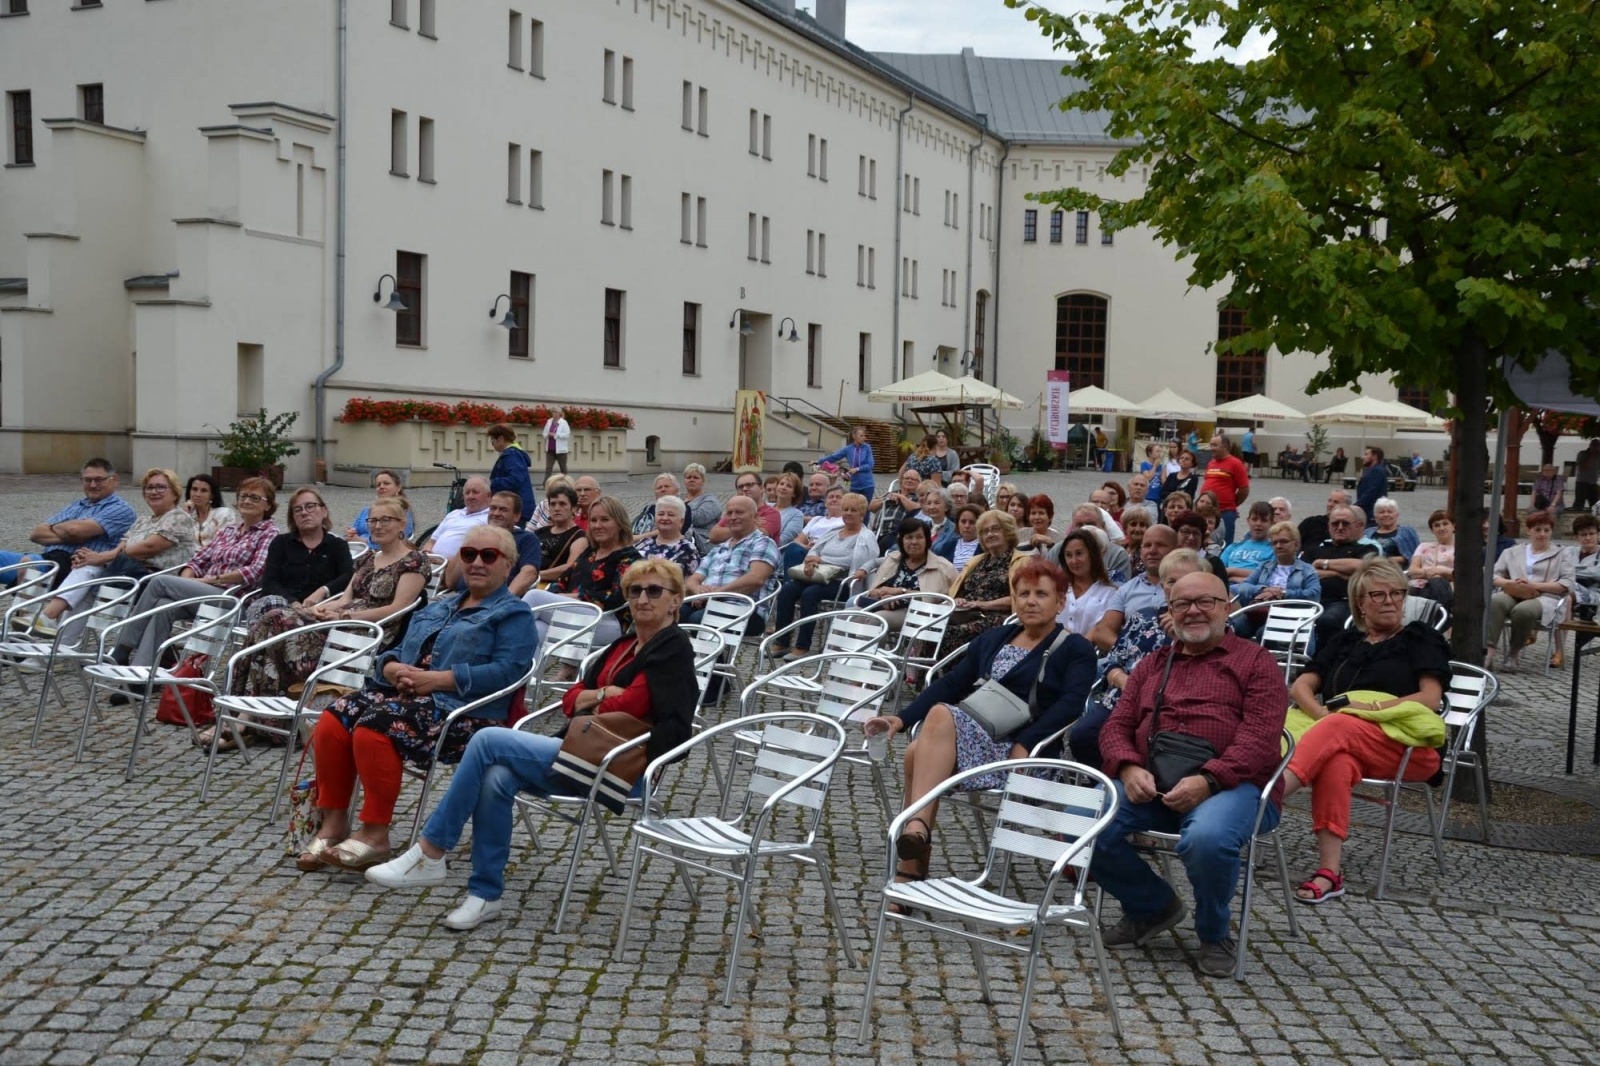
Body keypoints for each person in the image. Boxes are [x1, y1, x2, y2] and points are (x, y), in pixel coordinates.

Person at [363, 556, 697, 928]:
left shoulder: (672, 648)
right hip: (581, 754)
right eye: (635, 591)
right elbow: (571, 699)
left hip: (622, 767)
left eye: (654, 591)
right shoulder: (623, 645)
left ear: (675, 601)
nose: (643, 599)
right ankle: (485, 896)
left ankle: (431, 850)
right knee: (497, 777)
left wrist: (593, 698)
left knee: (488, 740)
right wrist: (602, 694)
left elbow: (638, 708)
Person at [300, 525, 536, 872]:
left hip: (463, 713)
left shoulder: (513, 614)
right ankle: (334, 824)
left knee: (377, 724)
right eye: (469, 554)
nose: (477, 563)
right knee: (334, 717)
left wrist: (437, 680)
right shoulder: (441, 605)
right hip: (406, 696)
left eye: (489, 556)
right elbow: (396, 650)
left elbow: (508, 672)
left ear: (508, 565)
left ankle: (375, 833)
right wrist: (392, 667)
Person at [1090, 570, 1290, 978]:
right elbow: (1115, 725)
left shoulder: (1257, 662)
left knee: (1208, 839)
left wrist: (1209, 780)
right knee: (1078, 821)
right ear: (1170, 611)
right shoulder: (1152, 664)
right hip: (1154, 782)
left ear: (1227, 607)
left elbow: (1260, 739)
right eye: (1182, 604)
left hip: (1234, 786)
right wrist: (1128, 766)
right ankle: (1152, 906)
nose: (1193, 611)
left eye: (1205, 602)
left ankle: (1214, 933)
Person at [864, 556, 1097, 899]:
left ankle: (912, 856)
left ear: (1060, 602)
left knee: (931, 731)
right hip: (977, 741)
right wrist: (901, 718)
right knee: (919, 744)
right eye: (1023, 594)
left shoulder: (1075, 648)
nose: (1031, 601)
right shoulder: (997, 637)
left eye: (1041, 594)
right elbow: (953, 683)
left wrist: (1026, 744)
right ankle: (915, 846)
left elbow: (1071, 705)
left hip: (1024, 753)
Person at [1283, 558, 1452, 904]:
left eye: (1397, 593)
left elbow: (1430, 699)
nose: (1390, 601)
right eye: (1378, 594)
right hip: (1344, 738)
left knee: (1342, 723)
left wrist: (1368, 709)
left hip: (1409, 746)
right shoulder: (1346, 641)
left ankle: (1266, 796)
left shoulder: (1420, 638)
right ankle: (1330, 872)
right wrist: (1320, 714)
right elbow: (1301, 686)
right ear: (1360, 602)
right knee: (1335, 762)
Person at [212, 497, 432, 749]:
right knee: (270, 621)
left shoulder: (414, 561)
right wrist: (320, 609)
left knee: (278, 628)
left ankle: (243, 719)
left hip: (365, 635)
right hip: (337, 624)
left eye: (385, 520)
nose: (378, 526)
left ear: (401, 524)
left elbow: (398, 608)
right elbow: (346, 599)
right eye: (373, 520)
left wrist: (344, 617)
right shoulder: (368, 559)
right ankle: (244, 715)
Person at [107, 478, 281, 672]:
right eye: (243, 496)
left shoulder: (270, 533)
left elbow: (255, 571)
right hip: (206, 592)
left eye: (255, 498)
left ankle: (123, 648)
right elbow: (198, 560)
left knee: (159, 582)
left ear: (268, 505)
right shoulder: (229, 530)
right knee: (163, 606)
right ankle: (142, 672)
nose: (247, 501)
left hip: (233, 599)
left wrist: (206, 580)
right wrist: (187, 580)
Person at [1069, 549, 1208, 767]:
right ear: (1163, 586)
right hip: (1125, 696)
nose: (1178, 587)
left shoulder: (1208, 623)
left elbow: (1210, 669)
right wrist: (1123, 680)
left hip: (1174, 705)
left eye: (1186, 580)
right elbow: (1113, 659)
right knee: (1083, 737)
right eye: (1171, 581)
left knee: (1148, 744)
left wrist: (1182, 639)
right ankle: (1114, 777)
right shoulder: (1142, 617)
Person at [30, 468, 198, 637]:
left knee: (90, 571)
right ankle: (59, 641)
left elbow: (146, 548)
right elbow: (121, 548)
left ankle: (49, 617)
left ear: (175, 493)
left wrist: (100, 558)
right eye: (149, 488)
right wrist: (96, 557)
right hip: (130, 575)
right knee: (87, 576)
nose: (154, 492)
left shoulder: (178, 517)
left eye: (161, 487)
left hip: (156, 581)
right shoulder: (143, 521)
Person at [767, 492, 877, 658]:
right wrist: (811, 560)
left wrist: (822, 559)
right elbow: (815, 549)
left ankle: (803, 646)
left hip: (843, 583)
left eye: (853, 510)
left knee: (810, 594)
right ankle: (781, 641)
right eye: (845, 509)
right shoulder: (833, 531)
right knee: (788, 590)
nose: (848, 513)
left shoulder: (866, 537)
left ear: (862, 514)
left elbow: (854, 560)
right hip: (818, 576)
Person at [523, 496, 640, 650]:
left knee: (534, 597)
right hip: (575, 613)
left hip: (607, 621)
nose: (597, 525)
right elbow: (561, 581)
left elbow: (616, 597)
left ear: (619, 523)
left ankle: (498, 637)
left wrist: (574, 597)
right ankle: (526, 666)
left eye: (605, 520)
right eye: (593, 520)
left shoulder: (630, 558)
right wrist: (559, 595)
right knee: (536, 630)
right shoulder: (590, 553)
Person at [0, 458, 137, 589]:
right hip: (49, 558)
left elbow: (75, 531)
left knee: (29, 564)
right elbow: (37, 534)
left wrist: (60, 529)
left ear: (114, 480)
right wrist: (71, 535)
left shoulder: (120, 509)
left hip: (75, 566)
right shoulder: (78, 505)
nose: (93, 485)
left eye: (99, 480)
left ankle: (26, 606)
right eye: (87, 480)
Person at [247, 487, 355, 625]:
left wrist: (323, 590)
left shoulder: (337, 545)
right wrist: (292, 602)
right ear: (293, 517)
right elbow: (269, 582)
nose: (304, 513)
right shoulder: (280, 543)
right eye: (298, 509)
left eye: (310, 506)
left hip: (319, 610)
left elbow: (348, 576)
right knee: (273, 609)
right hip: (281, 605)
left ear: (324, 511)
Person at [1485, 510, 1573, 670]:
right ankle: (1488, 653)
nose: (1542, 534)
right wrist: (1510, 583)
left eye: (1546, 530)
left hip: (1546, 597)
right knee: (1495, 601)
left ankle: (1513, 654)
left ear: (1551, 532)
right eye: (1537, 529)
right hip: (1514, 592)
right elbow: (1493, 575)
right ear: (1529, 531)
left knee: (1523, 610)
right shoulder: (1512, 551)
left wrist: (1534, 585)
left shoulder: (1562, 553)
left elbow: (1567, 583)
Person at [684, 495, 781, 632]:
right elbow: (693, 579)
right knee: (671, 614)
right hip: (709, 603)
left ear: (755, 517)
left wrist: (717, 593)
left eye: (739, 512)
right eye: (729, 513)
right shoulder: (719, 548)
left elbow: (756, 578)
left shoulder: (763, 543)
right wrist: (699, 591)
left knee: (698, 619)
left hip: (745, 610)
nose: (733, 517)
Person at [939, 510, 1025, 658]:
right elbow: (957, 591)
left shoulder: (1022, 562)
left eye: (995, 529)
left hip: (997, 618)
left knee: (949, 633)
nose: (990, 534)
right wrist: (958, 599)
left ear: (1008, 532)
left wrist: (983, 604)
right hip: (966, 613)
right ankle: (927, 671)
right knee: (932, 627)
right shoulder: (976, 561)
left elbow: (1021, 598)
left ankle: (953, 672)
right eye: (985, 531)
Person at [854, 518, 958, 629]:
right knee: (849, 614)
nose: (914, 542)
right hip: (883, 605)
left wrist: (900, 592)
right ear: (902, 541)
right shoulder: (892, 559)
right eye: (909, 537)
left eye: (919, 537)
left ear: (927, 540)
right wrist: (883, 595)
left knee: (878, 619)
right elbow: (873, 591)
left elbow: (940, 598)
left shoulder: (943, 566)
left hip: (918, 613)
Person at [1088, 524, 1178, 651]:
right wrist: (1131, 652)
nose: (1152, 550)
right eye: (1147, 545)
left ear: (1176, 549)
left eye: (1160, 545)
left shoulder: (1190, 585)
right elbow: (1103, 631)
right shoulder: (1126, 590)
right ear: (1141, 551)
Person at [1303, 505, 1380, 644]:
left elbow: (1363, 566)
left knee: (1328, 621)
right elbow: (1304, 573)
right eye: (1335, 523)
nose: (1340, 527)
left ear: (1356, 526)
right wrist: (1340, 573)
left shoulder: (1366, 548)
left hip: (1344, 602)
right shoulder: (1314, 550)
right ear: (1328, 526)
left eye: (1345, 523)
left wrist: (1323, 563)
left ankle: (1325, 656)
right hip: (1310, 601)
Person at [1230, 523, 1321, 639]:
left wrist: (1283, 594)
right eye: (1274, 542)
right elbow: (1243, 586)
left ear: (1296, 544)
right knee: (1231, 627)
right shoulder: (1264, 566)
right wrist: (1263, 590)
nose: (1278, 546)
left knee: (1264, 633)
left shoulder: (1307, 570)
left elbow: (1314, 595)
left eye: (1283, 541)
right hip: (1260, 613)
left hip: (1290, 616)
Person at [444, 492, 541, 596]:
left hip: (495, 599)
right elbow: (450, 581)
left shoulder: (526, 540)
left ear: (516, 516)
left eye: (503, 510)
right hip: (459, 597)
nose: (496, 513)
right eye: (493, 508)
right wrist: (468, 544)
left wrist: (503, 600)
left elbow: (529, 573)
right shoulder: (478, 535)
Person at [1056, 529, 1117, 636]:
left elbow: (1102, 631)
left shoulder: (1109, 593)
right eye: (1068, 555)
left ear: (1092, 555)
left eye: (1079, 554)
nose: (1074, 561)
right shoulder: (1057, 588)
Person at [423, 476, 491, 559]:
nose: (470, 496)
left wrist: (446, 563)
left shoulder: (490, 517)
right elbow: (432, 541)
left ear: (488, 495)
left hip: (457, 565)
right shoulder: (454, 513)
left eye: (475, 492)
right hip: (432, 562)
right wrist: (427, 552)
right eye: (467, 493)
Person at [633, 494, 700, 576]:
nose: (665, 518)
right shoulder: (644, 542)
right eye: (661, 514)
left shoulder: (688, 550)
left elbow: (688, 581)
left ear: (681, 522)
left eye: (671, 515)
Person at [535, 485, 588, 587]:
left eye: (562, 504)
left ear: (574, 508)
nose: (557, 508)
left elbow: (571, 567)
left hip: (552, 587)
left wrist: (536, 575)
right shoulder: (540, 532)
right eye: (553, 504)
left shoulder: (579, 536)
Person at [346, 470, 414, 549]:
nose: (381, 487)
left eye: (386, 483)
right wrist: (350, 534)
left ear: (398, 487)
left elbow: (400, 540)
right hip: (356, 549)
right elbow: (353, 530)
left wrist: (362, 542)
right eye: (378, 485)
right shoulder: (366, 510)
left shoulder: (402, 511)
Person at [708, 471, 782, 543]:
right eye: (740, 487)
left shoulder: (772, 513)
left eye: (749, 485)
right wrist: (750, 525)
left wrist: (732, 527)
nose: (745, 489)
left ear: (761, 488)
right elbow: (713, 535)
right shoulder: (734, 512)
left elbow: (759, 534)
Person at [783, 485, 845, 571]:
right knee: (793, 548)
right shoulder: (816, 519)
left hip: (827, 555)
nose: (834, 499)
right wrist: (806, 547)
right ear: (825, 503)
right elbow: (797, 541)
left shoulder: (846, 522)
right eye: (831, 497)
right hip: (808, 552)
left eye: (838, 497)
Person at [1203, 433, 1251, 543]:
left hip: (1225, 512)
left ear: (1225, 447)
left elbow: (1244, 489)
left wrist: (1232, 504)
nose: (1211, 448)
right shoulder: (1211, 463)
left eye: (1215, 445)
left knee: (1224, 543)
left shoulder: (1236, 464)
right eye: (1211, 445)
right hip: (1207, 512)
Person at [486, 424, 536, 528]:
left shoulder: (512, 455)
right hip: (514, 507)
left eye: (492, 439)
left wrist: (491, 482)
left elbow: (515, 480)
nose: (492, 443)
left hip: (515, 508)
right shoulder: (512, 454)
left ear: (501, 439)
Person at [1067, 505, 1131, 581]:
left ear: (1103, 526)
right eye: (1079, 525)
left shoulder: (1117, 554)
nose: (1085, 529)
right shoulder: (1059, 550)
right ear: (1072, 528)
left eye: (1090, 524)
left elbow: (1119, 585)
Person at [1408, 509, 1457, 606]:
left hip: (1448, 587)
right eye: (1437, 525)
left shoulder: (1462, 549)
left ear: (1453, 526)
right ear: (1432, 530)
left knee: (1437, 584)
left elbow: (1463, 575)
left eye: (1445, 524)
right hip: (1420, 586)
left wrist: (1441, 570)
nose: (1441, 528)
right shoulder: (1423, 546)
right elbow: (1412, 571)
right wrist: (1433, 572)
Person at [1221, 501, 1277, 581]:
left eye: (1264, 520)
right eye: (1254, 519)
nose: (1258, 524)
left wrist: (1231, 572)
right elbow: (1219, 572)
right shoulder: (1233, 547)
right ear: (1248, 521)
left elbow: (1267, 575)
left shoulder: (1274, 550)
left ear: (1272, 523)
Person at [818, 424, 877, 501]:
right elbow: (834, 457)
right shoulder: (848, 449)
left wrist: (857, 469)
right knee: (853, 506)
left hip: (867, 485)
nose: (864, 438)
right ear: (854, 436)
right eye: (861, 435)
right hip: (854, 485)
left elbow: (870, 465)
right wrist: (818, 462)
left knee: (866, 507)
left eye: (864, 436)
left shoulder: (867, 447)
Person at [184, 473, 237, 549]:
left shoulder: (224, 514)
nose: (198, 494)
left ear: (212, 495)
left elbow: (223, 545)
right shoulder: (187, 515)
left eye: (204, 490)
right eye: (194, 489)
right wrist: (185, 515)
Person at [1364, 498, 1421, 567]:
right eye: (1381, 512)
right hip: (1371, 568)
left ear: (1397, 515)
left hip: (1397, 569)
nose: (1386, 514)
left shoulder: (1407, 531)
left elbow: (1417, 555)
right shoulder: (1367, 532)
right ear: (1375, 516)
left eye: (1390, 512)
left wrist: (1392, 560)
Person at [1174, 512, 1229, 583]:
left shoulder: (1214, 563)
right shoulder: (1167, 559)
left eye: (1196, 533)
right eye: (1185, 532)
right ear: (1176, 533)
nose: (1191, 537)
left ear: (1202, 537)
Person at [870, 467, 923, 535]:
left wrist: (901, 497)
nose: (909, 480)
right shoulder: (891, 493)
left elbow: (917, 510)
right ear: (902, 481)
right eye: (907, 478)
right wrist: (885, 500)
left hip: (897, 534)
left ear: (919, 483)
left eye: (913, 479)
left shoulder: (918, 498)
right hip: (877, 531)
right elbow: (871, 507)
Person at [679, 463, 721, 546]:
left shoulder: (711, 501)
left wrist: (675, 514)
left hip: (702, 542)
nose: (692, 480)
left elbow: (699, 518)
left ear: (703, 481)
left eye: (696, 477)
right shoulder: (679, 499)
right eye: (688, 477)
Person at [1571, 513, 1600, 617]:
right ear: (1576, 537)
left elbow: (1597, 574)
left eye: (1591, 534)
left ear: (1598, 535)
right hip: (1571, 593)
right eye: (1583, 534)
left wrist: (1570, 571)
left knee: (1566, 586)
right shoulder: (1569, 552)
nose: (1588, 538)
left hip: (1595, 597)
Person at [939, 503, 984, 570]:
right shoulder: (947, 547)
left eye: (972, 522)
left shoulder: (985, 547)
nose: (967, 526)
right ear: (957, 523)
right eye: (963, 522)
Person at [772, 471, 806, 547]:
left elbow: (783, 541)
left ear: (794, 493)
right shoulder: (765, 506)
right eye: (781, 484)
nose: (783, 487)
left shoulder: (797, 515)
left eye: (789, 486)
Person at [1354, 446, 1389, 520]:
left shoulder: (1377, 471)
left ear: (1374, 456)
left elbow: (1370, 492)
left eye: (1366, 454)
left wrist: (1356, 506)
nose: (1363, 457)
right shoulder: (1372, 470)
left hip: (1371, 512)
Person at [1120, 504, 1153, 578]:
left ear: (1147, 528)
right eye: (1133, 524)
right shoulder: (1120, 550)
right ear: (1125, 528)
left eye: (1142, 525)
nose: (1137, 529)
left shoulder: (1149, 552)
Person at [541, 406, 571, 478]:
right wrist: (547, 435)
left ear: (559, 413)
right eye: (552, 411)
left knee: (563, 468)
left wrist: (555, 435)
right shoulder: (549, 421)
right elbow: (544, 433)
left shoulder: (563, 422)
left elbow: (567, 435)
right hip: (550, 450)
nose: (553, 413)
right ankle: (546, 483)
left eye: (555, 412)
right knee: (548, 469)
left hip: (561, 451)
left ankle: (567, 482)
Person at [1575, 440, 1600, 513]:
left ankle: (1595, 517)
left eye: (1597, 446)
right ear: (1590, 445)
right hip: (1582, 482)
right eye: (1594, 445)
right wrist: (1592, 455)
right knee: (1579, 503)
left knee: (1595, 503)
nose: (1596, 448)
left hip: (1593, 482)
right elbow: (1582, 467)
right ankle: (1577, 516)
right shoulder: (1582, 453)